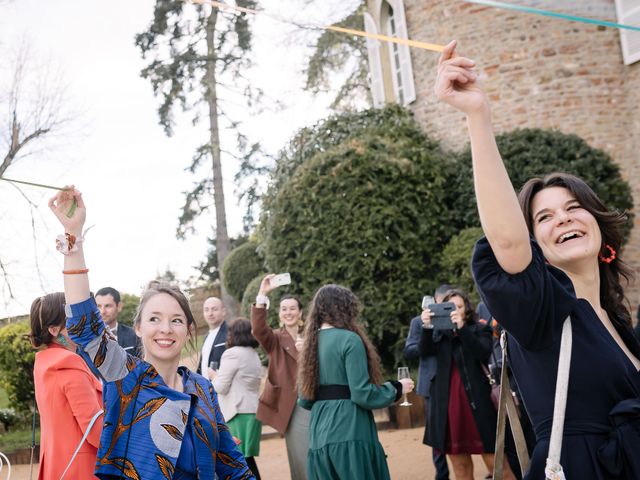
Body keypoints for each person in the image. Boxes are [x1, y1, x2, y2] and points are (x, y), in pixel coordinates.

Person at [436, 40, 640, 478]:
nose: (562, 220)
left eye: (573, 208)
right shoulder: (543, 313)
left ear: (598, 223)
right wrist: (477, 116)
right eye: (544, 217)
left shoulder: (621, 323)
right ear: (536, 245)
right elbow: (508, 242)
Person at [49, 187, 254, 479]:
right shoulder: (125, 375)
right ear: (139, 328)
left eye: (176, 320)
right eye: (155, 319)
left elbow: (232, 464)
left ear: (188, 330)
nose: (166, 329)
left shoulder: (202, 388)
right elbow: (85, 326)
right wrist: (73, 239)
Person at [297, 284, 414, 480]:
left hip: (319, 433)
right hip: (350, 427)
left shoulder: (310, 343)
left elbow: (304, 399)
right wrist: (397, 388)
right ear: (344, 308)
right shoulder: (349, 340)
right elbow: (362, 394)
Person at [420, 288, 514, 480]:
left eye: (459, 306)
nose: (455, 310)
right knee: (460, 468)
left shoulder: (479, 328)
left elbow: (482, 352)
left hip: (478, 405)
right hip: (448, 407)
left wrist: (461, 328)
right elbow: (424, 352)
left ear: (467, 309)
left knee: (496, 465)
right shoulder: (438, 333)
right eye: (450, 306)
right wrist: (427, 327)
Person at [30, 292, 103, 480]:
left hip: (58, 464)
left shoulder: (45, 361)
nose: (84, 324)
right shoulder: (68, 361)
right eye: (75, 320)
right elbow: (95, 432)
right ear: (54, 330)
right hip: (82, 470)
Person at [252, 274, 309, 480]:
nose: (288, 312)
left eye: (293, 308)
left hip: (318, 400)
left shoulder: (313, 335)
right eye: (284, 309)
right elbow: (258, 329)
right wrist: (262, 294)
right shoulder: (275, 338)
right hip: (291, 405)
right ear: (279, 313)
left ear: (300, 312)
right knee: (301, 454)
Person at [403, 284, 452, 480]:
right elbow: (409, 351)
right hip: (431, 384)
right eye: (442, 303)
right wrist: (428, 332)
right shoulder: (418, 322)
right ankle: (442, 475)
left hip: (456, 380)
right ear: (434, 301)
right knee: (436, 431)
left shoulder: (460, 320)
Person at [213, 318, 263, 479]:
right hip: (252, 412)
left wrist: (213, 376)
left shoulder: (232, 354)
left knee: (237, 462)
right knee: (246, 461)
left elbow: (220, 386)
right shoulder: (253, 353)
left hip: (237, 412)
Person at [95, 286, 142, 356]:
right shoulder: (84, 337)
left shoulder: (134, 336)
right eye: (98, 306)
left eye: (108, 306)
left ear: (119, 306)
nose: (102, 311)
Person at [198, 296, 228, 378]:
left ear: (223, 312)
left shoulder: (230, 334)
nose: (210, 313)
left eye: (214, 309)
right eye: (206, 310)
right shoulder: (207, 336)